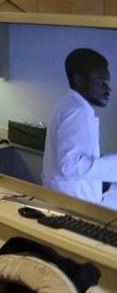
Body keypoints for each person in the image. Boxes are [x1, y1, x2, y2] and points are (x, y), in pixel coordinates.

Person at [42, 48, 117, 206]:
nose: (108, 90)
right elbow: (70, 165)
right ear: (79, 81)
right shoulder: (78, 111)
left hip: (62, 198)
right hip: (73, 205)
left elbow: (76, 155)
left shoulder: (66, 104)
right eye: (102, 83)